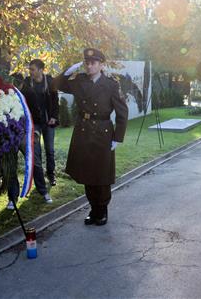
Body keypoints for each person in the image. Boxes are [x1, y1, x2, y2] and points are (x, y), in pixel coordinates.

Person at [53, 48, 128, 226]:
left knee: (101, 175)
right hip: (83, 131)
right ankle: (93, 209)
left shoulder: (111, 84)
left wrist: (117, 137)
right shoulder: (79, 81)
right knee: (87, 173)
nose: (89, 65)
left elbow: (122, 113)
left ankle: (102, 210)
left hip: (103, 132)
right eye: (87, 62)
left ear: (101, 65)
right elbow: (55, 84)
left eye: (93, 62)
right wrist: (68, 71)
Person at [7, 73, 53, 208]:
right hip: (10, 135)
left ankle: (43, 191)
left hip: (26, 133)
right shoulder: (6, 93)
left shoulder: (29, 93)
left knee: (35, 162)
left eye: (17, 84)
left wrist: (36, 131)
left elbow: (37, 112)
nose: (15, 87)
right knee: (11, 165)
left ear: (21, 84)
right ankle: (12, 198)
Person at [25, 59, 59, 186]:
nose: (30, 72)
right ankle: (39, 180)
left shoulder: (50, 82)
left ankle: (51, 175)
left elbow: (56, 101)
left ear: (40, 70)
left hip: (49, 122)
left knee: (50, 150)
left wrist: (54, 117)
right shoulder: (27, 83)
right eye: (30, 69)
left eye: (32, 69)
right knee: (36, 152)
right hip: (35, 123)